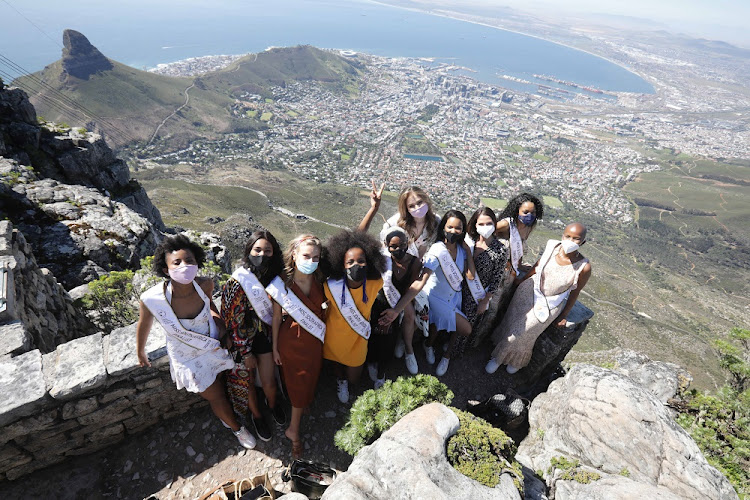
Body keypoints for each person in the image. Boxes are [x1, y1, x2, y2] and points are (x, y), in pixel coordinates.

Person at [136, 235, 256, 449]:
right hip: (187, 356)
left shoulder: (205, 284)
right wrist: (140, 352)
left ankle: (228, 416)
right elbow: (143, 324)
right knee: (215, 396)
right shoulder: (152, 299)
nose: (185, 266)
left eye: (189, 260)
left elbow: (210, 305)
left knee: (222, 381)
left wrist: (220, 325)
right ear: (166, 269)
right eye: (177, 262)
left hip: (213, 343)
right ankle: (237, 429)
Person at [380, 210, 477, 377]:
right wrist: (397, 309)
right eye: (450, 227)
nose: (453, 231)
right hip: (436, 297)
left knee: (440, 325)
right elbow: (420, 282)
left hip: (454, 296)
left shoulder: (461, 251)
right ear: (443, 227)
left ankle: (441, 353)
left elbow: (471, 276)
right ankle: (421, 346)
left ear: (463, 231)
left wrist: (468, 251)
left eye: (458, 228)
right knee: (466, 329)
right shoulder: (437, 250)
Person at [486, 222, 591, 374]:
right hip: (528, 291)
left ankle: (514, 359)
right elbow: (538, 265)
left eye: (576, 238)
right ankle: (498, 357)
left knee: (525, 333)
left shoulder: (583, 266)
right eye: (567, 236)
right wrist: (523, 280)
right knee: (511, 322)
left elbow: (575, 292)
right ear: (563, 235)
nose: (570, 240)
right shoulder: (553, 247)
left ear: (583, 242)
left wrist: (564, 315)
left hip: (550, 303)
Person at [221, 230, 286, 443]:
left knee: (269, 381)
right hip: (241, 342)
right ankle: (257, 416)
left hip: (263, 336)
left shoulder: (274, 278)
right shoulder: (238, 281)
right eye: (257, 250)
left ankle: (272, 404)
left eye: (267, 250)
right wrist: (245, 352)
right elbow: (231, 321)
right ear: (249, 251)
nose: (262, 255)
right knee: (247, 381)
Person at [269, 234, 326, 459]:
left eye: (316, 257)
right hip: (291, 342)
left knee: (310, 377)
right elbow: (275, 318)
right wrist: (275, 348)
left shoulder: (321, 279)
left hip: (314, 341)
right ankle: (293, 431)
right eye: (306, 256)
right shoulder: (282, 283)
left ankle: (303, 403)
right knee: (297, 383)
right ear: (294, 255)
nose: (311, 261)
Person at [359, 182, 422, 377]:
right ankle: (371, 363)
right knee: (373, 337)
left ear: (407, 243)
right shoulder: (381, 258)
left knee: (388, 340)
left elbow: (411, 288)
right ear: (386, 246)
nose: (397, 249)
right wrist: (373, 209)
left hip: (396, 307)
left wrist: (395, 312)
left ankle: (382, 373)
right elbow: (359, 237)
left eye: (401, 245)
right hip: (377, 305)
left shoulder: (414, 263)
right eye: (393, 246)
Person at [321, 230, 386, 403]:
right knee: (336, 364)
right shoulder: (330, 286)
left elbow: (360, 238)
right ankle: (340, 380)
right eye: (350, 262)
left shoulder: (375, 283)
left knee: (354, 379)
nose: (356, 265)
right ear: (341, 265)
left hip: (358, 338)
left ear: (369, 262)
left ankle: (348, 378)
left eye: (361, 261)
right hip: (334, 336)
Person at [458, 206, 508, 352]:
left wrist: (485, 301)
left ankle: (455, 352)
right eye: (481, 224)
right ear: (475, 225)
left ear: (495, 224)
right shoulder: (469, 242)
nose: (485, 227)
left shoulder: (501, 250)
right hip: (458, 289)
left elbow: (497, 278)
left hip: (477, 296)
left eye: (489, 223)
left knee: (466, 326)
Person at [495, 193, 544, 282]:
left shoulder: (528, 227)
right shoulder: (506, 224)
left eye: (533, 212)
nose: (529, 215)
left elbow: (519, 246)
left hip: (510, 268)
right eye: (525, 212)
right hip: (496, 263)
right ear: (517, 211)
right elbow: (487, 232)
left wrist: (519, 265)